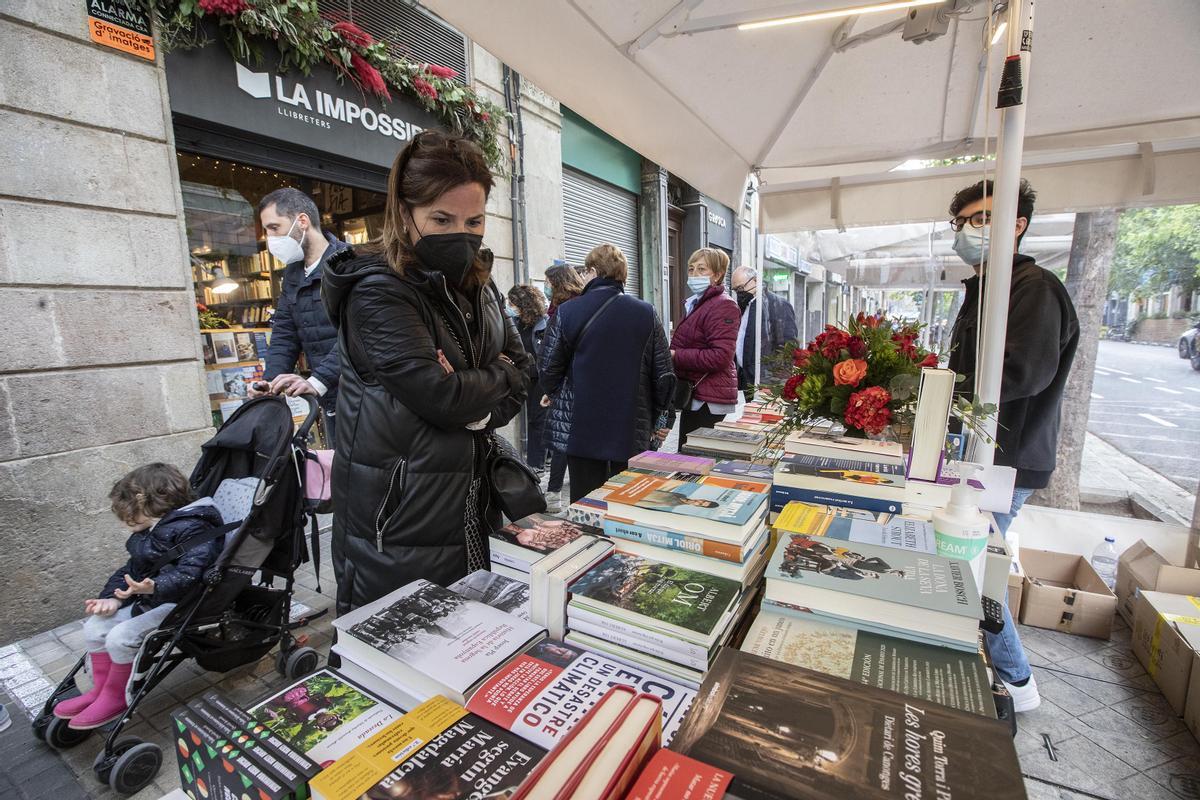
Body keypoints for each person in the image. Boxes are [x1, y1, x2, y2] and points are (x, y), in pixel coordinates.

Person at [321, 131, 530, 614]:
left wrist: (475, 394)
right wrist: (486, 380)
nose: (462, 232)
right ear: (404, 213)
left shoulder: (479, 281)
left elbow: (524, 367)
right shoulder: (377, 289)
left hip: (471, 501)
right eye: (441, 218)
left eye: (474, 220)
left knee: (469, 643)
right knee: (402, 649)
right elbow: (439, 397)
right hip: (398, 519)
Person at [946, 178, 1079, 713]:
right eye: (962, 222)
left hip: (1008, 458)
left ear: (1015, 225)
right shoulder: (989, 286)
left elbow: (1021, 372)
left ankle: (1017, 683)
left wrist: (945, 385)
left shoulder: (1035, 289)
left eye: (979, 219)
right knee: (977, 567)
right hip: (985, 454)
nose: (966, 231)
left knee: (980, 572)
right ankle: (1009, 674)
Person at [53, 464, 223, 729]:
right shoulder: (154, 528)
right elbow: (132, 569)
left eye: (129, 514)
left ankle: (117, 697)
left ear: (148, 502)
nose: (125, 522)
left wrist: (153, 586)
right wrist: (112, 598)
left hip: (183, 602)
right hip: (152, 597)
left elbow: (193, 574)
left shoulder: (194, 528)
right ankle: (100, 691)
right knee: (95, 627)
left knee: (120, 638)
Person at [540, 244, 676, 503]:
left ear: (592, 271)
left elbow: (548, 368)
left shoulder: (568, 311)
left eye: (584, 271)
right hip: (630, 428)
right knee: (627, 502)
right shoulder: (646, 312)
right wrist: (659, 419)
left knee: (587, 503)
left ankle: (591, 542)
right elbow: (664, 375)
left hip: (582, 429)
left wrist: (558, 393)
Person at [250, 188, 349, 446]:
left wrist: (318, 380)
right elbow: (285, 332)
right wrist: (269, 383)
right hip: (330, 400)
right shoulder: (293, 275)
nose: (270, 238)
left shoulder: (348, 266)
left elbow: (358, 333)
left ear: (302, 222)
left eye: (274, 227)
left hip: (363, 396)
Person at [671, 248, 740, 441]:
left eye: (702, 269)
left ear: (717, 275)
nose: (694, 275)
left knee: (693, 460)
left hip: (708, 399)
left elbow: (720, 356)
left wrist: (677, 356)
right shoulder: (697, 303)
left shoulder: (723, 305)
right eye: (691, 269)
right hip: (697, 395)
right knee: (689, 456)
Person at [539, 262, 588, 511]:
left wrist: (553, 388)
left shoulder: (566, 310)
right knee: (565, 442)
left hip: (569, 385)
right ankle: (558, 495)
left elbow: (551, 359)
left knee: (564, 442)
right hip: (570, 385)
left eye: (548, 282)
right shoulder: (564, 307)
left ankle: (559, 496)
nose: (545, 287)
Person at [730, 266, 798, 398]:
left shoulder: (778, 305)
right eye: (735, 290)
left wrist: (776, 379)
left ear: (755, 280)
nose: (739, 293)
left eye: (740, 288)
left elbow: (788, 346)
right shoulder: (744, 305)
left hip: (767, 381)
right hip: (747, 378)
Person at [507, 285, 550, 476]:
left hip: (541, 377)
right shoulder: (516, 322)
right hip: (525, 376)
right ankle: (540, 458)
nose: (510, 305)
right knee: (533, 419)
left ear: (523, 303)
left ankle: (536, 463)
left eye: (512, 302)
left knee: (537, 419)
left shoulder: (544, 323)